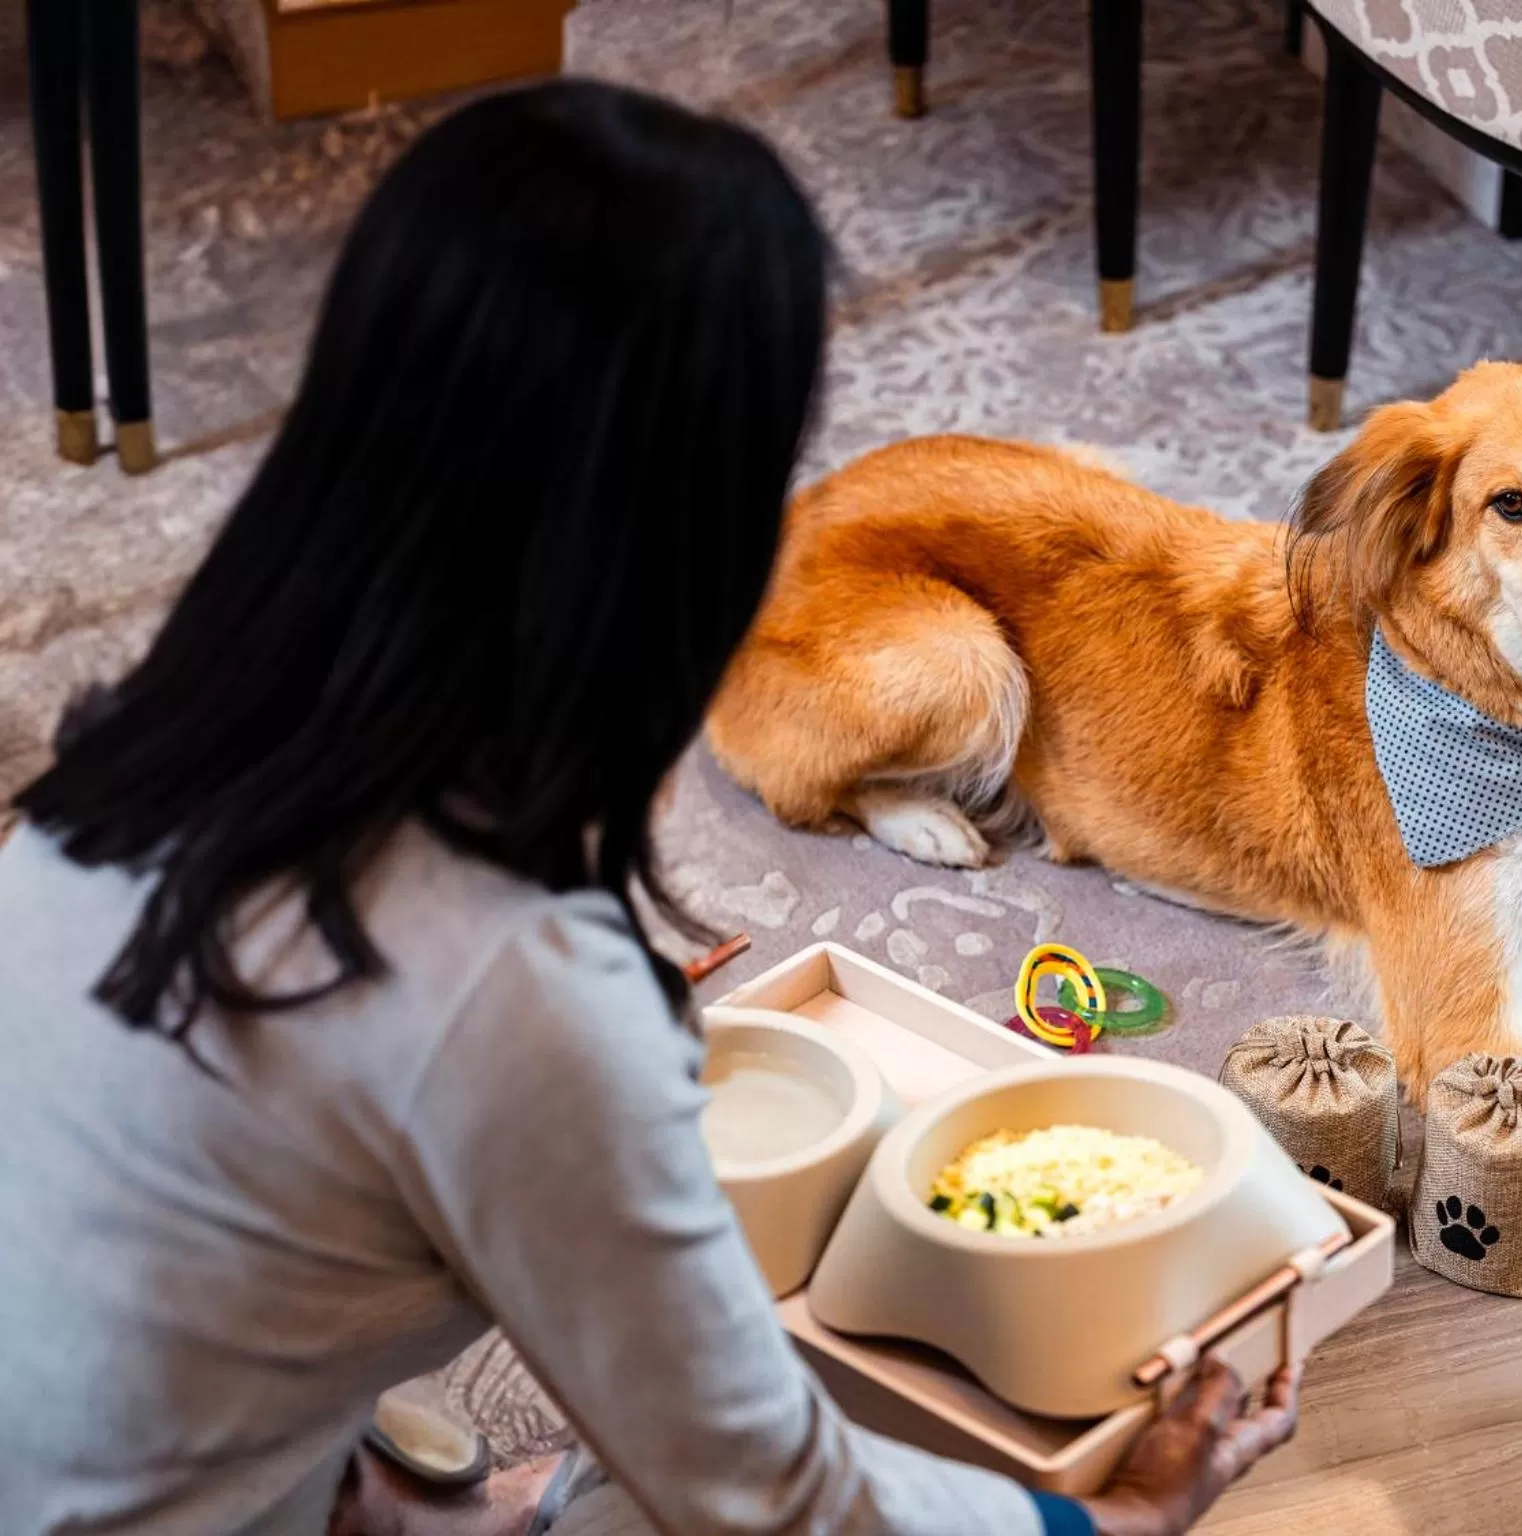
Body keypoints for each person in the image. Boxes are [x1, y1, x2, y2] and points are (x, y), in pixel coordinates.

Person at [0, 81, 1300, 1536]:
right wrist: (1115, 1520)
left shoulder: (121, 770)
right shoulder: (508, 986)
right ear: (687, 527)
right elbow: (769, 1492)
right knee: (804, 1467)